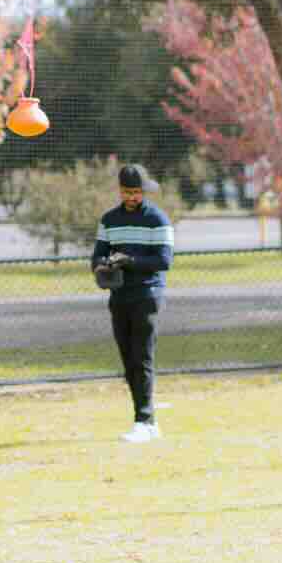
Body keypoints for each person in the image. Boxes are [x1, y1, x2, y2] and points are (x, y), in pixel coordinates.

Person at [92, 163, 175, 442]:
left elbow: (163, 261)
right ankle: (146, 420)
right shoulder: (109, 219)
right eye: (128, 192)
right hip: (119, 295)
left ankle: (144, 420)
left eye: (137, 192)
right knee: (128, 360)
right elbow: (97, 256)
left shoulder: (157, 219)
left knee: (142, 357)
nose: (132, 197)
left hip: (147, 295)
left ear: (144, 191)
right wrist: (104, 265)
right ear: (120, 191)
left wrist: (130, 261)